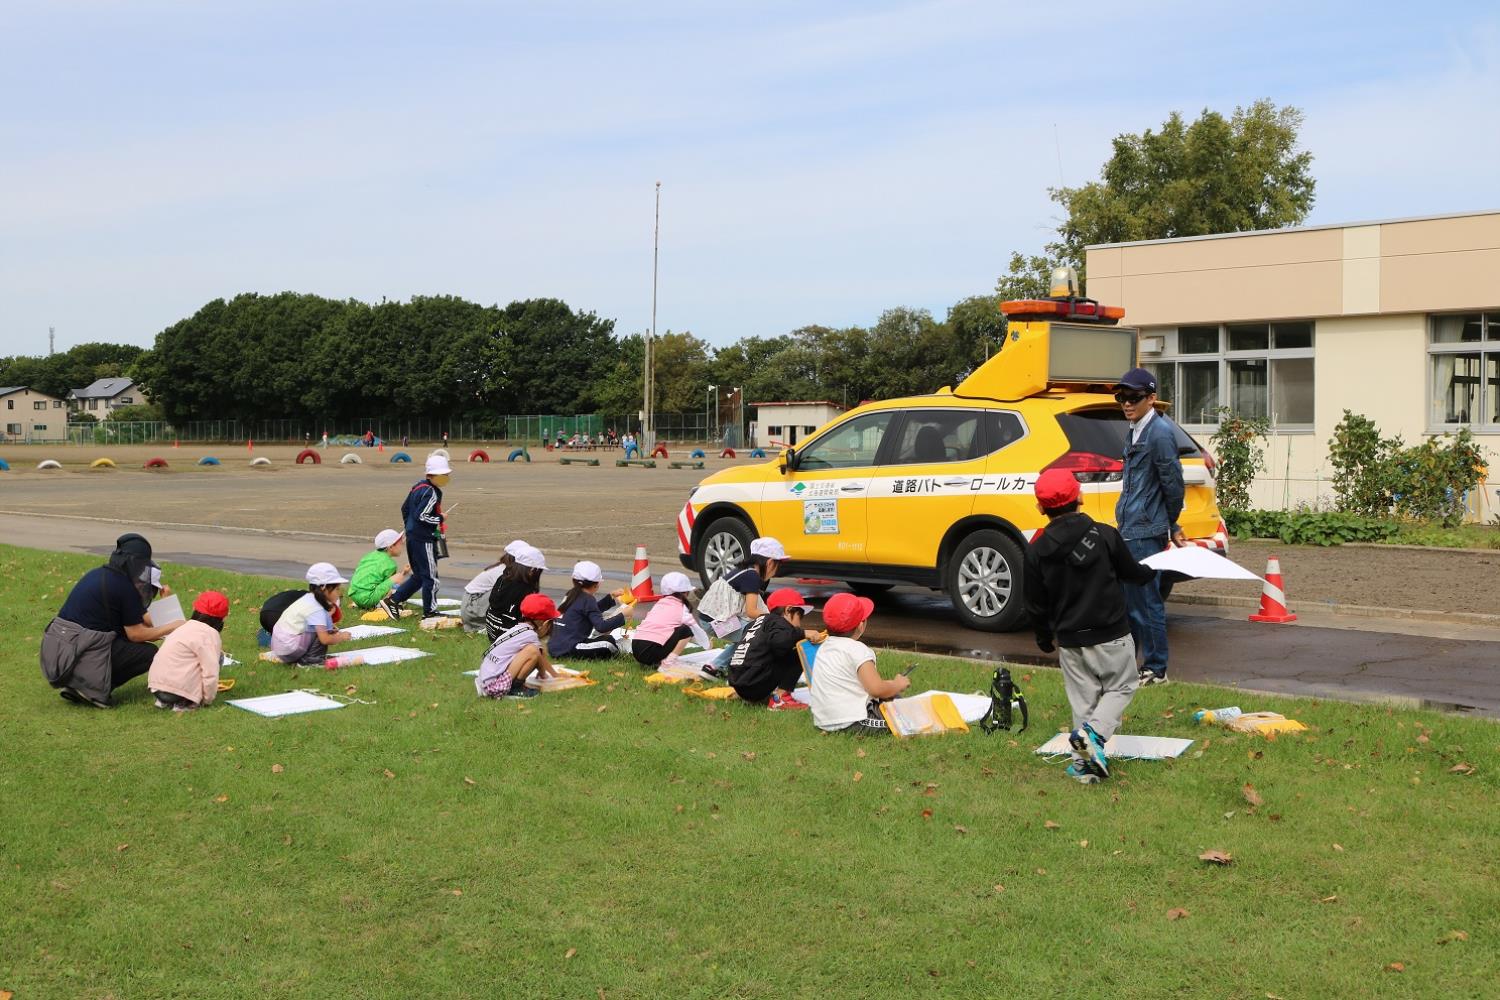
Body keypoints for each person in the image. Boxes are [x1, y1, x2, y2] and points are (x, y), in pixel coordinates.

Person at [1023, 468, 1158, 784]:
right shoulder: (1104, 535)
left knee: (1083, 702)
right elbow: (1132, 573)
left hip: (1070, 641)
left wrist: (1044, 637)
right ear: (1080, 498)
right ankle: (1094, 735)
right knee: (1122, 686)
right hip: (1112, 633)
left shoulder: (1037, 550)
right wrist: (1155, 568)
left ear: (1041, 507)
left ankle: (1085, 769)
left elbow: (1034, 603)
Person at [41, 533, 184, 708]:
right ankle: (92, 689)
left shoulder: (102, 575)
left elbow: (144, 619)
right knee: (148, 653)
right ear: (137, 563)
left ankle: (79, 683)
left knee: (123, 640)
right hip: (77, 649)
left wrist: (166, 603)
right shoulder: (123, 587)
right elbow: (137, 634)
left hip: (59, 650)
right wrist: (174, 626)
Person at [1113, 367, 1186, 686]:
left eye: (1133, 397)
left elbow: (1173, 484)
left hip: (1146, 532)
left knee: (1147, 602)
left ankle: (1157, 668)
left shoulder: (1159, 433)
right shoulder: (1135, 428)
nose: (1126, 403)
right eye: (1121, 397)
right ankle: (1133, 666)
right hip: (1129, 528)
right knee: (1130, 605)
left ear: (1151, 398)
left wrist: (1171, 523)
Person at [808, 592, 909, 733]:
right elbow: (876, 689)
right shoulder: (858, 650)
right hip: (852, 721)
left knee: (894, 699)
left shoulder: (824, 647)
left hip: (824, 720)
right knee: (905, 718)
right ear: (861, 625)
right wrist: (897, 684)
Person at [727, 588, 823, 709]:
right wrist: (802, 634)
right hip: (755, 684)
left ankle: (747, 696)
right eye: (800, 615)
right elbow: (780, 641)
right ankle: (781, 698)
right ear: (788, 610)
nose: (800, 623)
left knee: (783, 646)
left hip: (739, 683)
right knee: (799, 650)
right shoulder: (779, 623)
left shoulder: (755, 623)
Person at [383, 454, 451, 619]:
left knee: (419, 576)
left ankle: (394, 600)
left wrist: (409, 528)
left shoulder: (417, 487)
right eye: (444, 475)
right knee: (430, 576)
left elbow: (405, 508)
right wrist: (440, 518)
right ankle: (430, 612)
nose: (446, 478)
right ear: (433, 475)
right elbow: (422, 515)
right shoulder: (432, 492)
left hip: (413, 538)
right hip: (424, 539)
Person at [148, 591, 230, 712]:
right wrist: (207, 699)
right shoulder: (210, 634)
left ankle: (163, 701)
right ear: (221, 620)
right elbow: (210, 670)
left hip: (156, 687)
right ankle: (184, 703)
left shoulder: (183, 627)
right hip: (179, 691)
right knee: (218, 657)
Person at [710, 536, 785, 667]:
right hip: (715, 624)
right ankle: (715, 666)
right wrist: (775, 620)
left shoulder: (746, 572)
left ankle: (721, 665)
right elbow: (752, 611)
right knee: (758, 636)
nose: (776, 571)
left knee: (752, 632)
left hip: (716, 620)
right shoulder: (752, 577)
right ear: (770, 563)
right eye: (778, 566)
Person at [475, 593, 561, 700]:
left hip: (485, 681)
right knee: (533, 651)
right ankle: (515, 689)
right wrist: (552, 675)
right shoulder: (530, 635)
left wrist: (543, 673)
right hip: (494, 686)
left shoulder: (518, 629)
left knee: (533, 650)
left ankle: (512, 686)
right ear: (544, 623)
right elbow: (540, 656)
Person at [270, 563, 353, 666]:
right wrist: (341, 637)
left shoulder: (309, 599)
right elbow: (325, 639)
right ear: (324, 588)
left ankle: (306, 657)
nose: (339, 593)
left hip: (281, 648)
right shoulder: (317, 609)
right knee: (322, 632)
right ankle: (311, 660)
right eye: (337, 589)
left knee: (322, 629)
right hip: (289, 649)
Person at [629, 572, 712, 670]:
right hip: (651, 651)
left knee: (677, 630)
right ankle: (669, 662)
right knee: (686, 629)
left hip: (636, 648)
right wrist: (707, 646)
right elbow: (695, 629)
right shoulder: (681, 608)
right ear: (685, 593)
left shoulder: (659, 604)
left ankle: (652, 662)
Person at [550, 560, 629, 660]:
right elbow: (601, 627)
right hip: (570, 648)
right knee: (608, 643)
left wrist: (611, 597)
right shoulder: (588, 599)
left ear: (573, 580)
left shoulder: (570, 594)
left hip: (554, 646)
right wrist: (623, 614)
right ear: (596, 584)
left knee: (603, 639)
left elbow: (590, 611)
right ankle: (623, 648)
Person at [461, 540, 526, 633]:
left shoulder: (508, 569)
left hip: (473, 607)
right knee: (510, 592)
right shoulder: (503, 572)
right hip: (472, 609)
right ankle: (492, 625)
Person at [484, 544, 547, 639]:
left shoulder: (502, 578)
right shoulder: (525, 589)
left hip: (492, 632)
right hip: (508, 637)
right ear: (532, 569)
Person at [348, 529, 410, 611]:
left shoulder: (369, 556)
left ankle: (366, 603)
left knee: (395, 577)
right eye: (399, 541)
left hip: (355, 595)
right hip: (368, 599)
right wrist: (402, 574)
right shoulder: (390, 564)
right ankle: (392, 604)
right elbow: (388, 588)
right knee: (398, 577)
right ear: (391, 547)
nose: (402, 543)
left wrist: (404, 572)